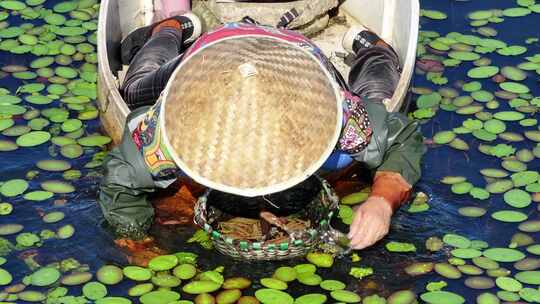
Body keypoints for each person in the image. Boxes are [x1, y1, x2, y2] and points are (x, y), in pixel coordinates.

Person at [98, 7, 425, 251]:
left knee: (378, 99)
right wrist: (137, 242)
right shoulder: (165, 135)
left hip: (295, 60)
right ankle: (170, 29)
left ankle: (372, 50)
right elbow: (120, 181)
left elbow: (401, 137)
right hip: (212, 55)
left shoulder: (336, 117)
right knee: (136, 88)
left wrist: (382, 202)